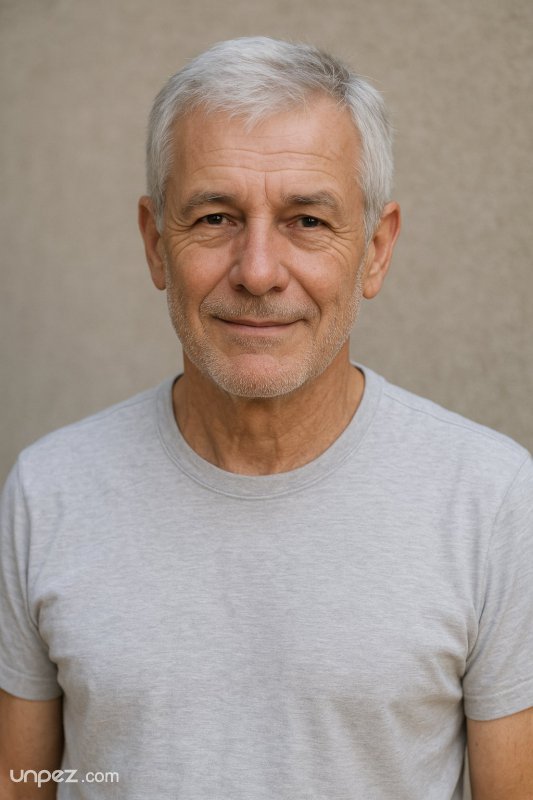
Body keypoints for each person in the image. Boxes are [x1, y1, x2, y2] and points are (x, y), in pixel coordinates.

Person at [0, 36, 532, 800]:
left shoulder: (490, 499)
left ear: (375, 251)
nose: (256, 272)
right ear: (156, 244)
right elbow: (24, 783)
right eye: (215, 217)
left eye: (306, 221)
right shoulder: (48, 492)